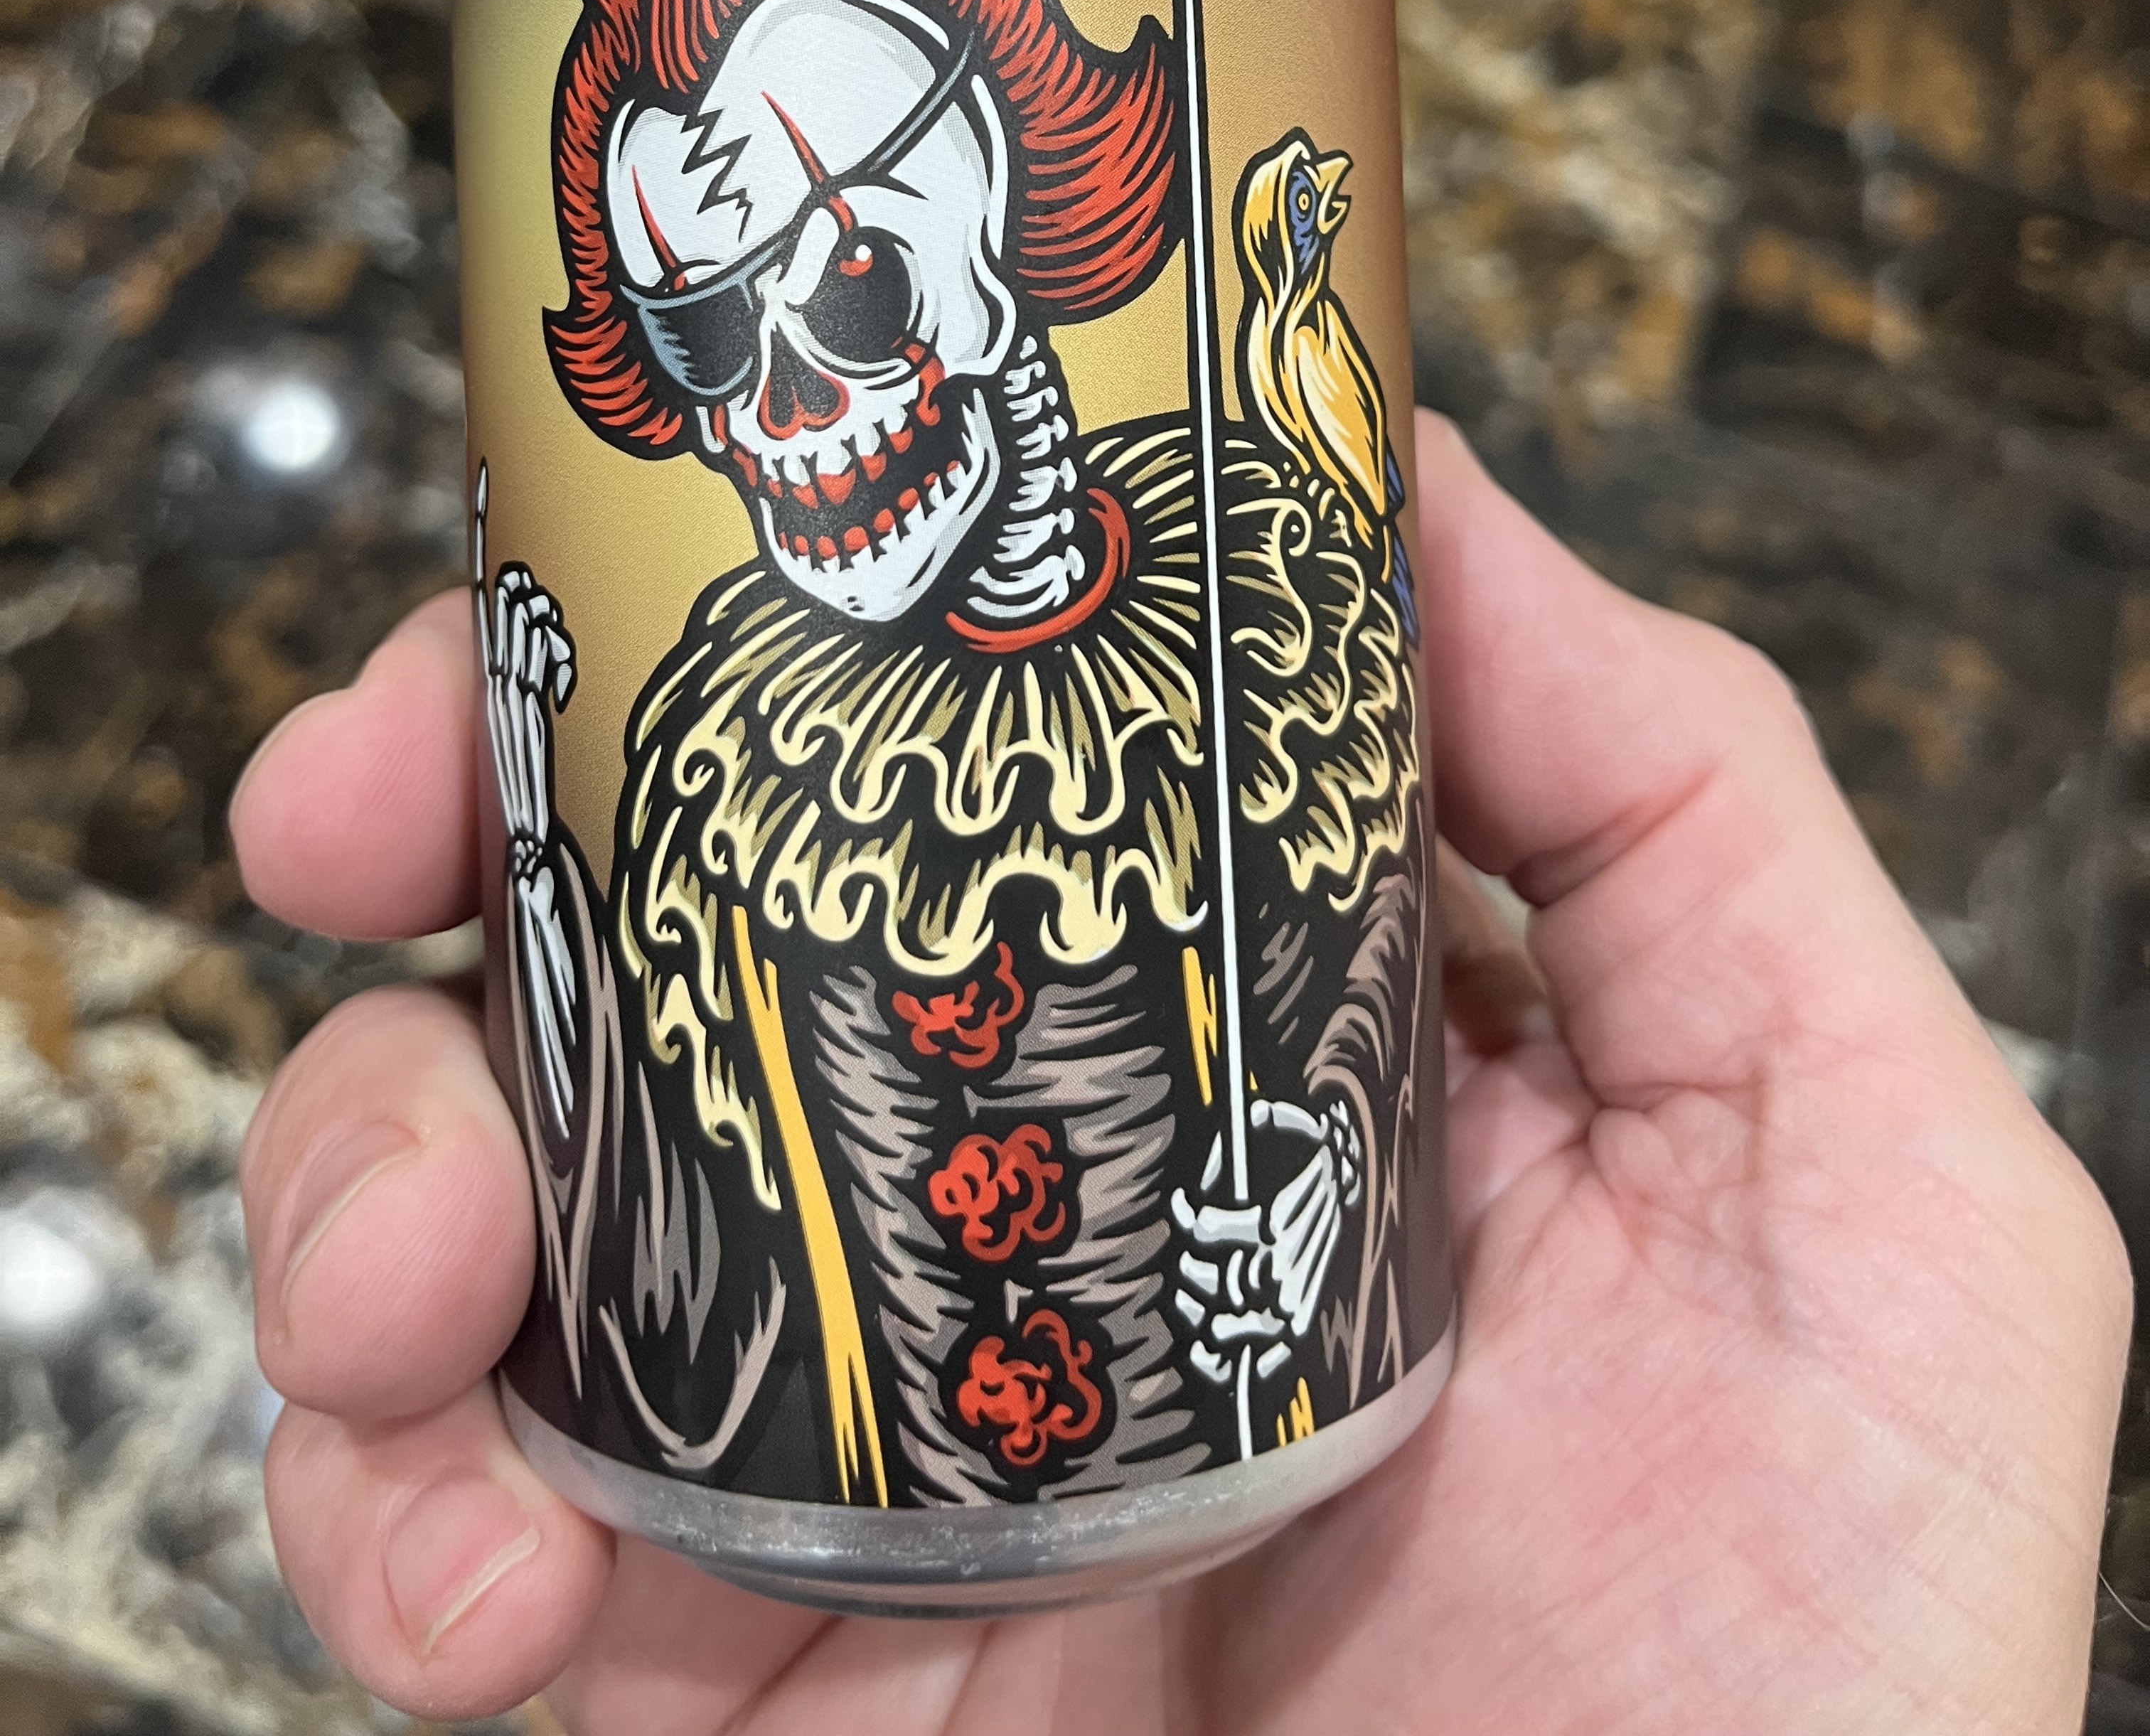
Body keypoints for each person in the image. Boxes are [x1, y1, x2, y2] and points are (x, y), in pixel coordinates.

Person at [232, 412, 2133, 1734]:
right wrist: (545, 866)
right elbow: (673, 1246)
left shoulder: (1256, 593)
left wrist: (1328, 1181)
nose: (784, 393)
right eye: (702, 320)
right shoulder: (719, 728)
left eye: (862, 268)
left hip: (1367, 1508)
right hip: (828, 1555)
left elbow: (1356, 971)